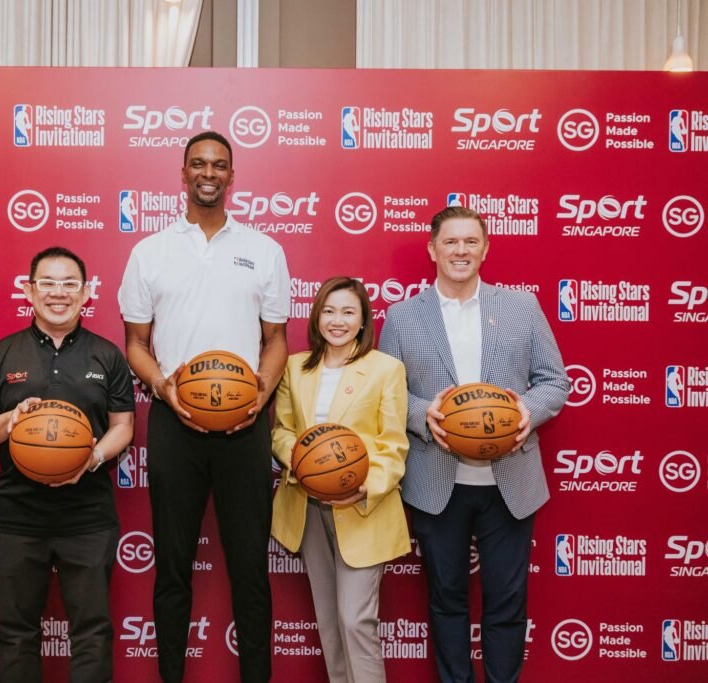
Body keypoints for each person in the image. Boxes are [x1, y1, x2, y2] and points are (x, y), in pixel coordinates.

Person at [118, 131, 290, 682]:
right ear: (183, 173)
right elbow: (136, 345)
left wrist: (261, 393)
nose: (208, 173)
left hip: (245, 427)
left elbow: (277, 340)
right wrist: (164, 388)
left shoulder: (265, 250)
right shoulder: (149, 250)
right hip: (175, 423)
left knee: (250, 571)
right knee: (172, 567)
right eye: (198, 164)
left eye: (219, 165)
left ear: (232, 176)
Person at [378, 206, 569, 683]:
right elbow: (383, 396)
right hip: (436, 483)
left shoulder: (522, 307)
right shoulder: (402, 317)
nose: (460, 250)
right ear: (432, 250)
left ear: (486, 249)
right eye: (450, 242)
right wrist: (426, 416)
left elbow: (555, 382)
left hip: (511, 480)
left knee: (507, 601)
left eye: (470, 242)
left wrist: (524, 412)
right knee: (446, 600)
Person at [0, 246, 135, 682]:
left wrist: (93, 457)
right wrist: (11, 419)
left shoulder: (107, 355)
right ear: (28, 290)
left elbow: (124, 427)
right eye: (47, 283)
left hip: (88, 514)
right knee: (16, 634)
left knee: (92, 634)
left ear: (86, 293)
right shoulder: (1, 354)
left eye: (69, 284)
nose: (58, 293)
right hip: (17, 516)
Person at [271, 276, 410, 683]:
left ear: (364, 319)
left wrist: (366, 485)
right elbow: (281, 431)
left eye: (348, 311)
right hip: (308, 508)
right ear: (316, 317)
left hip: (364, 510)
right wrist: (302, 464)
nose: (338, 320)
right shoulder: (295, 367)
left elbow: (394, 445)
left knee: (355, 620)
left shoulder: (386, 370)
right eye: (329, 311)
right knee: (330, 624)